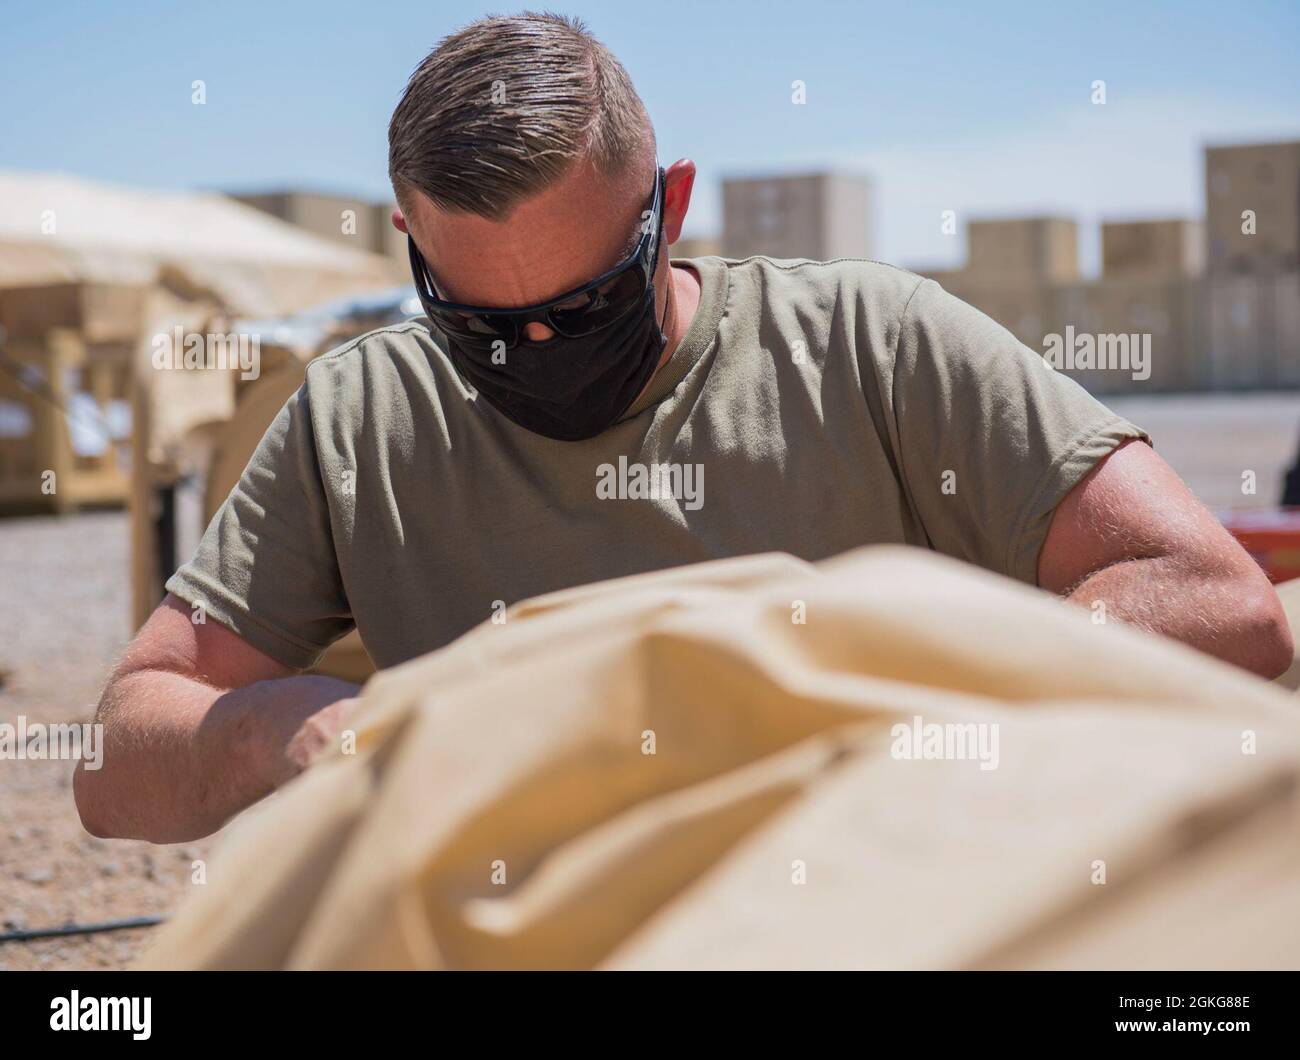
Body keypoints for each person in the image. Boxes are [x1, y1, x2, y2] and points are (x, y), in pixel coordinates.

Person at [75, 12, 1292, 843]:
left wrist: (846, 710)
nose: (539, 353)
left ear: (670, 205)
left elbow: (1218, 604)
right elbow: (116, 758)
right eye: (484, 326)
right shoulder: (359, 417)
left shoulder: (871, 345)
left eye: (583, 305)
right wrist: (271, 740)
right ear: (409, 244)